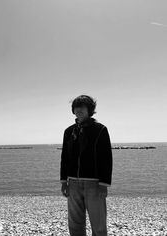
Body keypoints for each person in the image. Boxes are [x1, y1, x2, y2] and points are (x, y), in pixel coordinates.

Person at [60, 95, 113, 236]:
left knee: (99, 224)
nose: (79, 110)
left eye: (82, 107)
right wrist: (64, 181)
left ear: (90, 110)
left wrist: (104, 184)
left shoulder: (100, 129)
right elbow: (65, 157)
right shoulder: (69, 131)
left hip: (94, 184)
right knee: (75, 223)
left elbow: (106, 157)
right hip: (73, 183)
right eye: (76, 107)